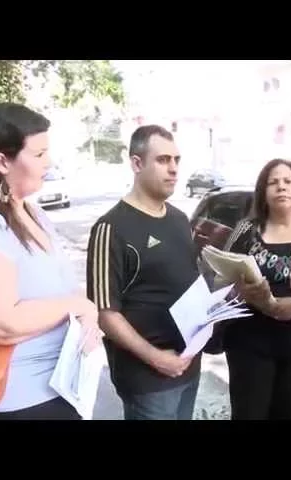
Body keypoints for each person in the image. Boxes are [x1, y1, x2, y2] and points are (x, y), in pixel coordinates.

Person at [0, 103, 100, 420]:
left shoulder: (32, 213)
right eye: (38, 154)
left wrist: (87, 317)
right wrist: (78, 306)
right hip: (7, 400)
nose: (48, 162)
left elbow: (59, 289)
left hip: (59, 387)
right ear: (2, 161)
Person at [86, 125, 201, 420]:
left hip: (188, 367)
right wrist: (157, 359)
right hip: (147, 380)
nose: (173, 168)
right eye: (163, 160)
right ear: (137, 164)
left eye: (176, 160)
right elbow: (105, 314)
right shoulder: (110, 228)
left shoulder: (179, 219)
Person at [216, 159, 291, 420]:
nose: (281, 187)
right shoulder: (246, 230)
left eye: (288, 181)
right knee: (248, 412)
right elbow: (220, 279)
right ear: (263, 191)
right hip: (248, 340)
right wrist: (240, 292)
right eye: (273, 182)